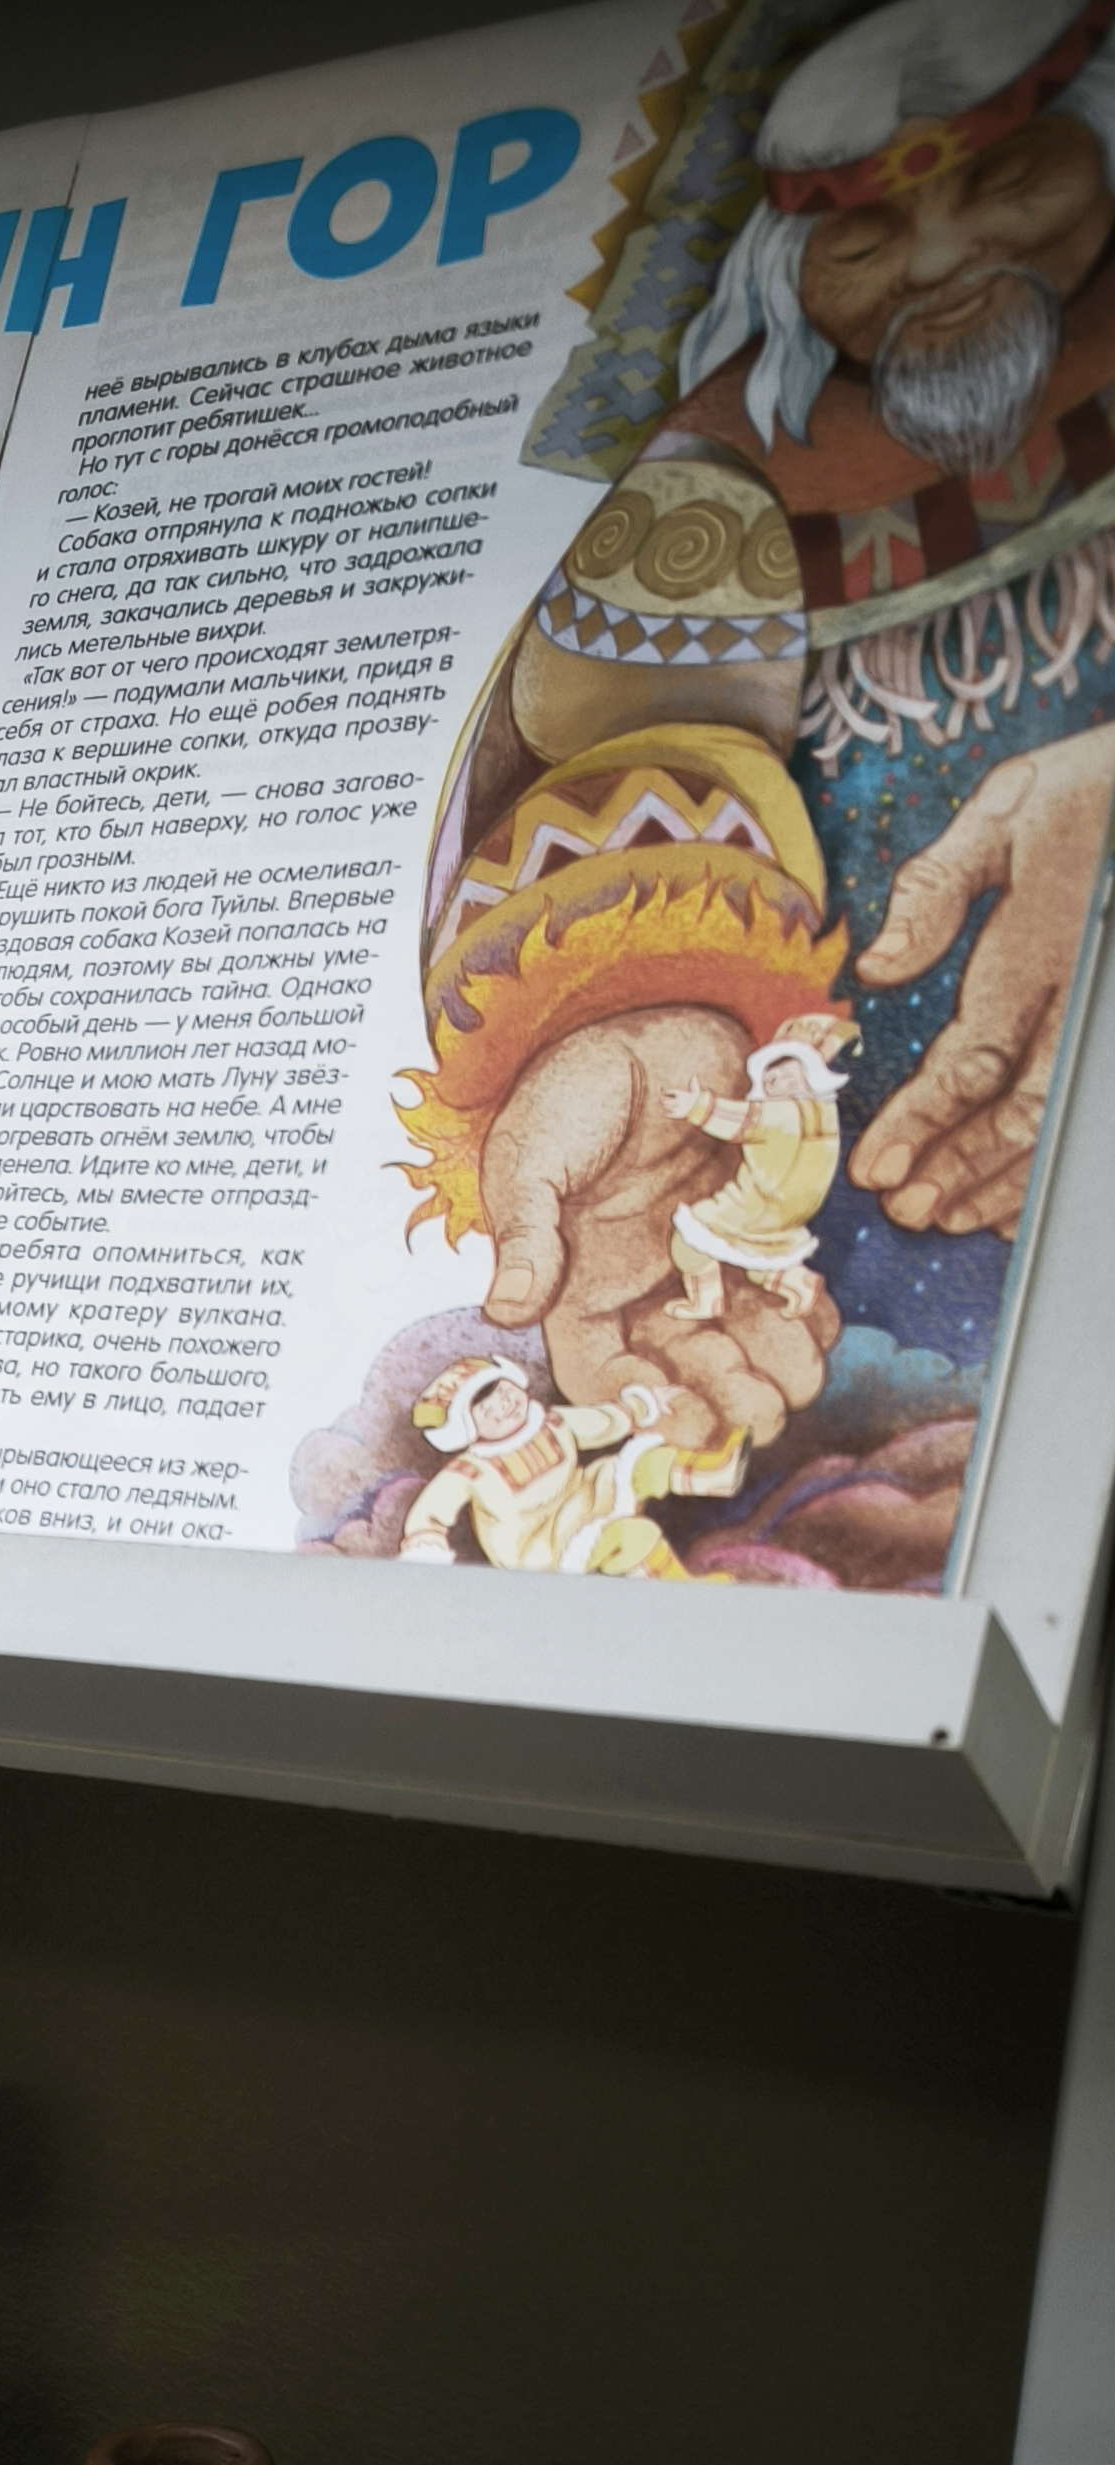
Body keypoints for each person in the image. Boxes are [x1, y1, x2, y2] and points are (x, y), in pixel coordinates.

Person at [392, 0, 1115, 1503]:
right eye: (863, 239)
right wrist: (630, 1021)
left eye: (1008, 180)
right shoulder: (721, 491)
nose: (940, 260)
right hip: (852, 1221)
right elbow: (601, 761)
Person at [399, 1357, 748, 1578]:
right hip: (543, 1548)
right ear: (467, 1428)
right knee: (633, 1537)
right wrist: (425, 1548)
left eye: (503, 1392)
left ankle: (717, 1476)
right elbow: (430, 1513)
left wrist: (641, 1408)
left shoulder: (550, 1422)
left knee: (644, 1461)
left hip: (585, 1496)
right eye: (487, 1409)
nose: (504, 1406)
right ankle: (682, 1594)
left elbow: (602, 1423)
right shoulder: (472, 1470)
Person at [666, 1011, 861, 1322]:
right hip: (794, 1210)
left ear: (810, 1076)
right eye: (773, 1075)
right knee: (763, 1257)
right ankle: (798, 1282)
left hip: (758, 1203)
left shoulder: (780, 1115)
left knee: (690, 1237)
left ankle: (706, 1302)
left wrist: (697, 1106)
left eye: (789, 1076)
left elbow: (741, 1120)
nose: (778, 1080)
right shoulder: (824, 1112)